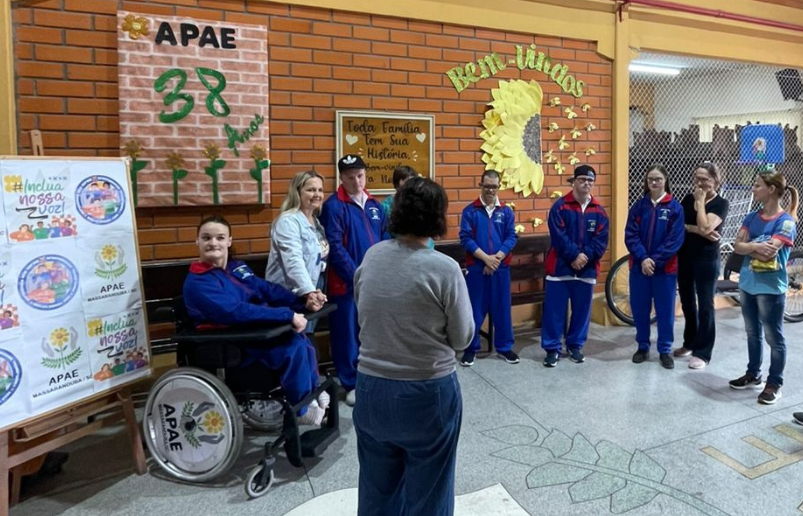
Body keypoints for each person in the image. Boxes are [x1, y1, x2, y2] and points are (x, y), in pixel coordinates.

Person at [353, 177, 474, 516]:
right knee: (430, 493)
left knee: (377, 491)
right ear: (439, 217)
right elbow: (463, 337)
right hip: (427, 392)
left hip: (371, 388)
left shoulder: (372, 257)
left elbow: (362, 309)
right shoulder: (445, 269)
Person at [183, 215, 328, 425]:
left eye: (220, 237)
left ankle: (313, 392)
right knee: (292, 347)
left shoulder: (236, 268)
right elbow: (235, 311)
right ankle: (302, 408)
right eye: (206, 238)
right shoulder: (198, 282)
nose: (213, 243)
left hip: (253, 331)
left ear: (229, 241)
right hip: (231, 339)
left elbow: (266, 289)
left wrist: (303, 301)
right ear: (197, 241)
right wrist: (287, 315)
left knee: (302, 339)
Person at [320, 155, 386, 407]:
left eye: (360, 176)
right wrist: (357, 275)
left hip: (374, 281)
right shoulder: (334, 206)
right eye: (350, 177)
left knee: (369, 332)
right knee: (346, 334)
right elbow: (335, 247)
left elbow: (385, 238)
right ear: (341, 178)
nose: (356, 182)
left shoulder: (375, 205)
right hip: (346, 284)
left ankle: (371, 377)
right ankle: (350, 382)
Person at [728, 168, 798, 404]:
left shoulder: (785, 222)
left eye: (757, 185)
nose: (753, 189)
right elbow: (737, 246)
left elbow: (771, 252)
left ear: (771, 189)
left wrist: (749, 246)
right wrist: (757, 246)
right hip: (747, 284)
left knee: (773, 337)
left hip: (771, 289)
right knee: (752, 333)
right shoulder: (751, 217)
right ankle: (753, 373)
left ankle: (774, 383)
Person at [541, 164, 609, 367]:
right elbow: (558, 236)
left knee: (581, 311)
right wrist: (574, 256)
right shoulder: (560, 207)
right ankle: (552, 349)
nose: (586, 183)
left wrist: (584, 257)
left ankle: (575, 346)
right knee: (554, 312)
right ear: (574, 181)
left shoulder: (599, 211)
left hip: (586, 270)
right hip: (560, 269)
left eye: (590, 181)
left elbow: (601, 240)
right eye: (582, 180)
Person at [625, 164, 685, 369]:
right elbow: (630, 235)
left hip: (665, 270)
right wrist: (643, 259)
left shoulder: (675, 208)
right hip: (639, 268)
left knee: (665, 311)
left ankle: (665, 349)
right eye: (650, 179)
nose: (654, 182)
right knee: (640, 309)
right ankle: (642, 346)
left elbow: (674, 240)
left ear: (665, 181)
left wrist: (655, 261)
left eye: (658, 179)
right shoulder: (638, 206)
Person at [458, 170, 518, 366]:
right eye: (487, 186)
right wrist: (486, 259)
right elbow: (466, 239)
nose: (491, 190)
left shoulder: (506, 212)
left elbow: (511, 237)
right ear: (481, 185)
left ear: (499, 187)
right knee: (474, 310)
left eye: (494, 187)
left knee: (502, 310)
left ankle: (505, 348)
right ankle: (470, 349)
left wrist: (496, 259)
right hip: (477, 269)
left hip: (500, 269)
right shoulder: (470, 211)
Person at [674, 162, 729, 369]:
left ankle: (703, 352)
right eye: (697, 178)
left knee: (706, 305)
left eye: (705, 179)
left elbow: (707, 226)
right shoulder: (688, 199)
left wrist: (701, 203)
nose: (699, 183)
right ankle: (689, 342)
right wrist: (696, 230)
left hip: (706, 259)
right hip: (686, 255)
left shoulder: (720, 203)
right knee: (687, 301)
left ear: (715, 180)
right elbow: (678, 225)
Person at [265, 170, 329, 332]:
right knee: (295, 338)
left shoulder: (316, 222)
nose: (317, 194)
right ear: (297, 192)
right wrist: (309, 291)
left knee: (307, 336)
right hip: (289, 292)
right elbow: (293, 260)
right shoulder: (288, 221)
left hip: (313, 288)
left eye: (320, 190)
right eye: (311, 190)